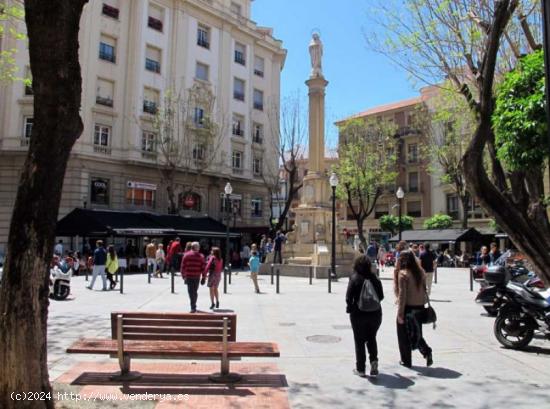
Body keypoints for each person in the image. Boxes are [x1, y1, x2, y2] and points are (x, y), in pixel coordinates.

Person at [346, 254, 384, 377]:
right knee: (371, 337)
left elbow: (348, 297)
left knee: (359, 340)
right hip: (375, 314)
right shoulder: (374, 278)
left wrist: (352, 306)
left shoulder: (354, 278)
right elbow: (381, 296)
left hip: (358, 314)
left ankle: (361, 369)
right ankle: (374, 361)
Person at [396, 251, 433, 368]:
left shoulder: (403, 274)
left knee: (403, 335)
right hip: (420, 307)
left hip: (408, 308)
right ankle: (426, 351)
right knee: (416, 333)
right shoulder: (420, 272)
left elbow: (403, 295)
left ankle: (406, 360)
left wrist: (400, 313)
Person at [181, 242, 206, 313]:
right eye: (198, 247)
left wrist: (184, 276)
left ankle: (193, 306)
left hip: (189, 276)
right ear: (196, 247)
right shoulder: (201, 256)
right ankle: (193, 306)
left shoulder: (186, 255)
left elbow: (182, 267)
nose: (199, 248)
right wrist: (203, 277)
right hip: (196, 276)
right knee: (194, 291)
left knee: (191, 292)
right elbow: (203, 268)